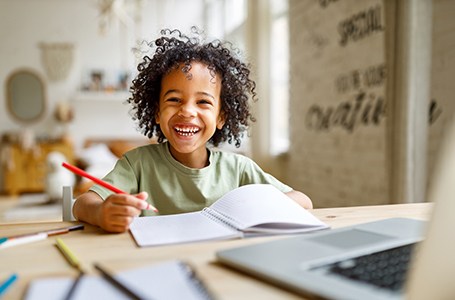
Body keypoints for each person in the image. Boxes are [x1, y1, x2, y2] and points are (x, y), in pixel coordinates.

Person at [73, 28, 313, 233]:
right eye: (175, 99)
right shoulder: (137, 165)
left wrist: (257, 207)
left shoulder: (239, 169)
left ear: (221, 117)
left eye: (203, 102)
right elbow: (83, 203)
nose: (187, 111)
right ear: (157, 112)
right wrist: (101, 213)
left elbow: (304, 201)